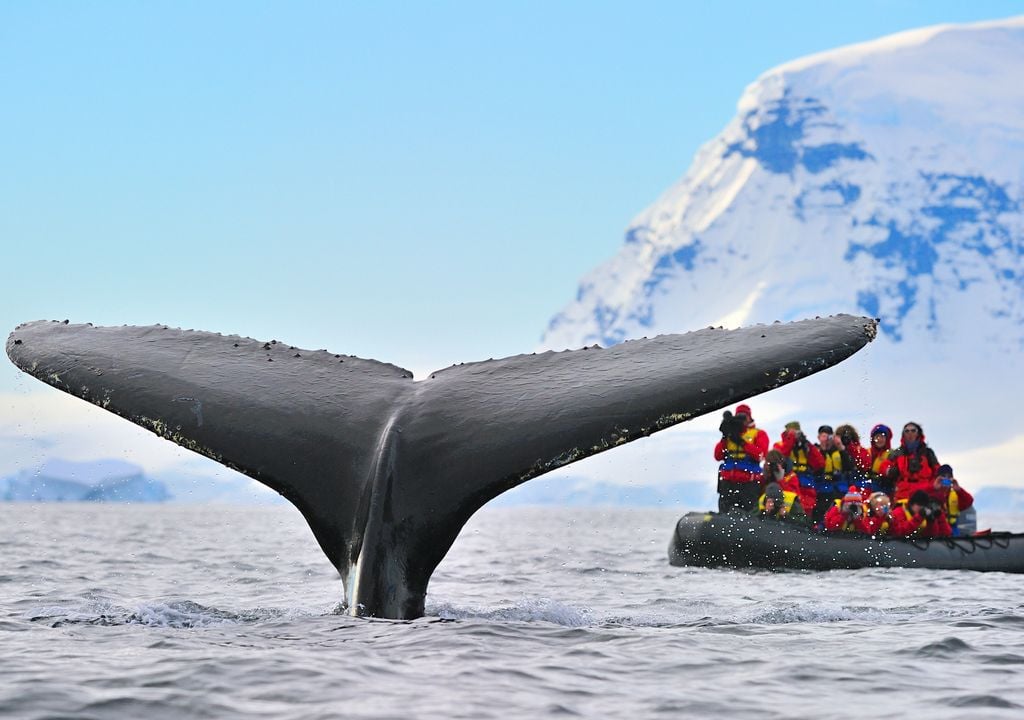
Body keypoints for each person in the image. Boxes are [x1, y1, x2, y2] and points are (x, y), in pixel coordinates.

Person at [713, 403, 769, 513]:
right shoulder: (729, 434)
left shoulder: (759, 433)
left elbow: (760, 455)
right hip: (728, 483)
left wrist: (742, 443)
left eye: (744, 416)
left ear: (750, 417)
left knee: (750, 515)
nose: (742, 419)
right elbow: (717, 455)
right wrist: (725, 436)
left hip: (749, 484)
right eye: (739, 416)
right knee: (725, 514)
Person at [773, 421, 824, 516]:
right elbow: (781, 457)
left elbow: (819, 464)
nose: (795, 434)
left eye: (796, 432)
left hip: (806, 483)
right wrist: (790, 439)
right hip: (788, 482)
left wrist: (807, 444)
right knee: (788, 509)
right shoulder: (779, 445)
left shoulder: (806, 446)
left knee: (806, 511)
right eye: (792, 432)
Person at [887, 422, 941, 504]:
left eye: (913, 431)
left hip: (925, 491)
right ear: (903, 434)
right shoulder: (897, 453)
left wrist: (932, 485)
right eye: (907, 431)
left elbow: (937, 470)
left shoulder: (927, 452)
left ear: (918, 433)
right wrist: (890, 471)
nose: (910, 433)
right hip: (903, 492)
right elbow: (884, 466)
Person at [929, 464, 974, 536]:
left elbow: (969, 501)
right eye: (943, 476)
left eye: (949, 476)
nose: (946, 479)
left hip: (953, 528)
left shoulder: (956, 494)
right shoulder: (931, 493)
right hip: (936, 527)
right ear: (937, 478)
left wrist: (959, 490)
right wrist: (933, 488)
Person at [833, 424, 872, 491]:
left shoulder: (860, 450)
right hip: (840, 488)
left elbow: (865, 466)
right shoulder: (834, 452)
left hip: (858, 487)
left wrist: (849, 448)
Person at [866, 424, 895, 496]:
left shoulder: (892, 454)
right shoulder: (867, 452)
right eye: (877, 437)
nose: (879, 439)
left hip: (886, 486)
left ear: (887, 439)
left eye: (882, 436)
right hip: (869, 485)